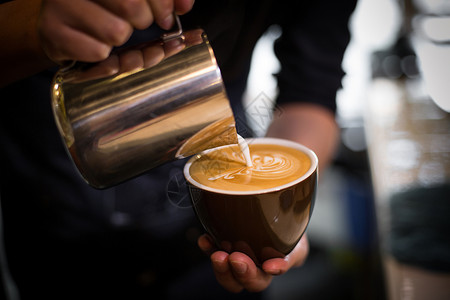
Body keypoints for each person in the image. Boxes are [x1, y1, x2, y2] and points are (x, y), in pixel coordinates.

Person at [0, 0, 357, 299]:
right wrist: (32, 25)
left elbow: (310, 91)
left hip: (216, 240)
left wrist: (281, 218)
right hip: (62, 245)